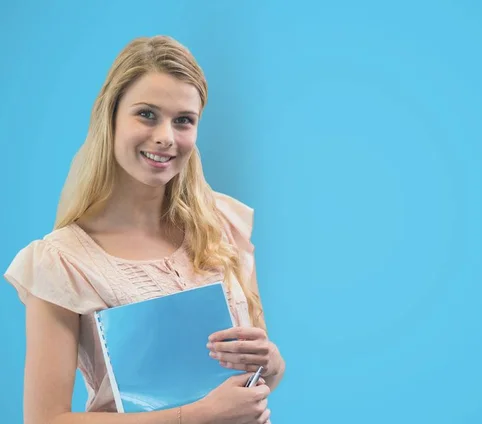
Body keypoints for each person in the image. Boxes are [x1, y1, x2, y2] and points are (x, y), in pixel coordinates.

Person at [3, 35, 285, 424]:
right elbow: (44, 419)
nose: (166, 137)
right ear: (111, 117)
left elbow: (260, 377)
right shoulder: (61, 262)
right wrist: (198, 416)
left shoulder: (222, 225)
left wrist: (270, 361)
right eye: (147, 114)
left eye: (183, 120)